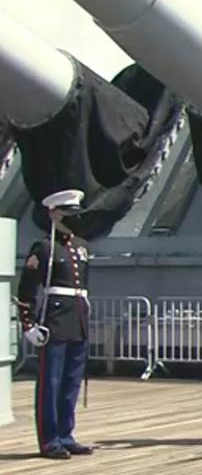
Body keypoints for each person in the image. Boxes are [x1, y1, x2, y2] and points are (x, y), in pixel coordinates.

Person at [15, 189, 93, 459]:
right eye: (68, 213)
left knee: (71, 382)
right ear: (53, 214)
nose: (74, 218)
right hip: (55, 322)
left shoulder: (81, 247)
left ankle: (66, 434)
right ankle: (50, 440)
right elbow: (26, 289)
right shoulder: (44, 247)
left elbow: (83, 287)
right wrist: (29, 325)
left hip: (78, 320)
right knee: (52, 383)